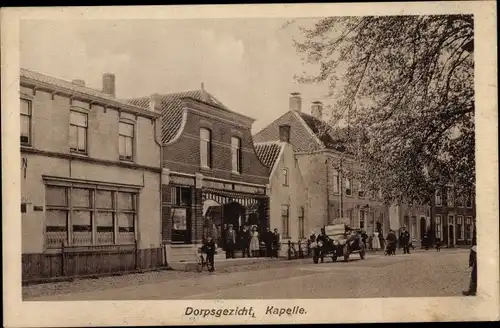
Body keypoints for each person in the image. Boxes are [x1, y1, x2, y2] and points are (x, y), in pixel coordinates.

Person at [463, 221, 477, 296]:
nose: (475, 221)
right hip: (476, 249)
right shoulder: (475, 228)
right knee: (474, 270)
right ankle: (472, 289)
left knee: (475, 271)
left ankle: (472, 290)